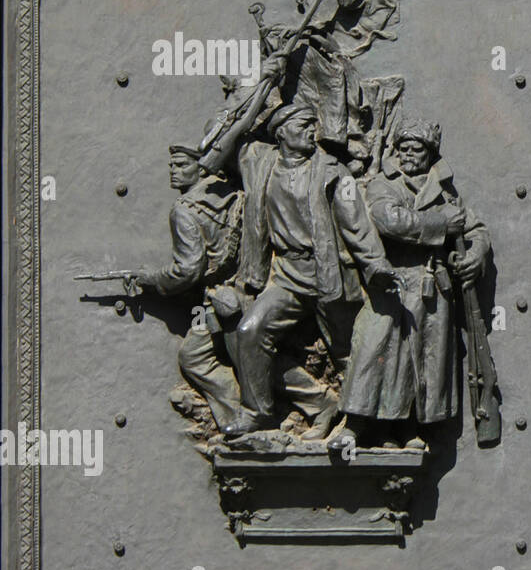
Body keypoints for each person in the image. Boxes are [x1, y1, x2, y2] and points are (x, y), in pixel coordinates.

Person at [227, 101, 395, 436]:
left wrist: (375, 265)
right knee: (249, 332)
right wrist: (261, 86)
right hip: (286, 274)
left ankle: (364, 423)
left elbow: (357, 223)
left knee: (347, 352)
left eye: (311, 125)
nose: (311, 131)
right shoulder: (259, 165)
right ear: (281, 133)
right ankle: (258, 412)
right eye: (303, 125)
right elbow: (222, 138)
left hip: (327, 271)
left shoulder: (335, 171)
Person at [334, 119, 491, 448]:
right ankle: (356, 424)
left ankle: (408, 429)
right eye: (402, 147)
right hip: (392, 283)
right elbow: (389, 220)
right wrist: (440, 223)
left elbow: (473, 226)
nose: (408, 153)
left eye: (416, 148)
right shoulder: (384, 183)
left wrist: (476, 253)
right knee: (375, 351)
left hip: (432, 290)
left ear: (429, 152)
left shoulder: (444, 189)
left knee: (422, 360)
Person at [126, 143, 245, 430]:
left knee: (195, 356)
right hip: (246, 290)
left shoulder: (185, 210)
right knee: (247, 356)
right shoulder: (232, 195)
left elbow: (188, 270)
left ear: (201, 166)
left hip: (220, 300)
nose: (172, 172)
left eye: (181, 165)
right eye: (171, 166)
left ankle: (238, 420)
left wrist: (150, 279)